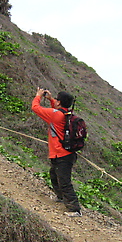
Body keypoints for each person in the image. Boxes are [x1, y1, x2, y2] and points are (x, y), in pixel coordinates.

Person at [32, 88, 82, 217]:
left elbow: (36, 108)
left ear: (60, 102)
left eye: (57, 100)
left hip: (61, 154)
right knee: (54, 175)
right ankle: (61, 198)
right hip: (65, 153)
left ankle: (75, 209)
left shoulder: (56, 115)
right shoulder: (66, 113)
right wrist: (50, 99)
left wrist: (38, 96)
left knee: (64, 181)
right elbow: (58, 108)